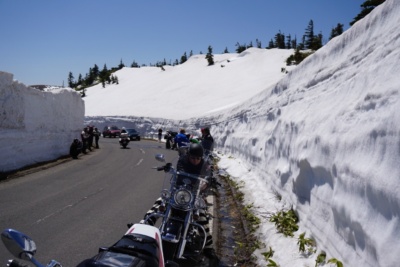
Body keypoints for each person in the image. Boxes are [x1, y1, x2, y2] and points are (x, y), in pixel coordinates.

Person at [140, 143, 218, 261]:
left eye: (198, 158)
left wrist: (210, 179)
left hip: (194, 195)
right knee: (159, 205)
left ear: (201, 158)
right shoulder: (182, 160)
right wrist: (168, 168)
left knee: (202, 218)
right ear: (188, 155)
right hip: (179, 192)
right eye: (193, 157)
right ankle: (142, 227)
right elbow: (179, 170)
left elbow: (208, 173)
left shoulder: (205, 164)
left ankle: (208, 248)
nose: (195, 160)